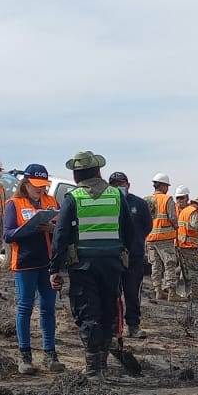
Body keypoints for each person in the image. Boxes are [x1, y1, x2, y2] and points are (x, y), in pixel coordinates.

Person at [50, 151, 142, 377]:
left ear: (75, 176)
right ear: (99, 172)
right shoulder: (117, 196)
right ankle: (101, 363)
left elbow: (60, 234)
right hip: (112, 265)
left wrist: (55, 268)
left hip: (83, 266)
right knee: (108, 310)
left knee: (87, 312)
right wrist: (123, 253)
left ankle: (93, 370)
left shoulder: (74, 197)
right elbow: (131, 231)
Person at [6, 164, 62, 375]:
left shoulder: (51, 201)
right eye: (35, 186)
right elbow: (8, 235)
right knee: (25, 308)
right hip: (24, 263)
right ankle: (25, 356)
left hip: (47, 263)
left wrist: (52, 228)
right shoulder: (14, 204)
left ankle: (50, 354)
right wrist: (28, 228)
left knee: (48, 309)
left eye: (43, 186)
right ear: (26, 183)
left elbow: (61, 228)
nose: (40, 190)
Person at [109, 171, 152, 337]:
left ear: (128, 185)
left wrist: (135, 243)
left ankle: (133, 325)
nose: (118, 187)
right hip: (113, 256)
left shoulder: (139, 204)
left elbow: (147, 226)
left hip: (134, 257)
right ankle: (114, 327)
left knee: (132, 292)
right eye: (114, 185)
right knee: (113, 293)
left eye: (121, 184)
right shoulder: (107, 203)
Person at [145, 172, 180, 301]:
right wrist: (176, 228)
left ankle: (158, 290)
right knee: (170, 263)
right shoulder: (167, 199)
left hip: (150, 238)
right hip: (165, 238)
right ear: (164, 186)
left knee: (155, 265)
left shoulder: (147, 199)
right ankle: (171, 292)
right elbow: (172, 217)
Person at [174, 186, 198, 302]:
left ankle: (181, 291)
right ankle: (191, 292)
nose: (179, 201)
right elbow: (195, 226)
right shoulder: (190, 211)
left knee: (183, 269)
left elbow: (197, 232)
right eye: (178, 198)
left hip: (183, 244)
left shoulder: (186, 211)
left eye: (181, 198)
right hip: (184, 245)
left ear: (187, 198)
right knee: (191, 270)